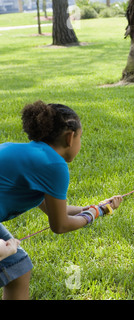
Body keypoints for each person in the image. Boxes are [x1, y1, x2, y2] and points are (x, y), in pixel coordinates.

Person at [0, 101, 123, 300]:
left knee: (17, 266)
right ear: (70, 137)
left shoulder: (33, 156)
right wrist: (94, 214)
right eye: (81, 137)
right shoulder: (53, 164)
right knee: (16, 263)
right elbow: (60, 225)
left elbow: (53, 210)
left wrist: (92, 207)